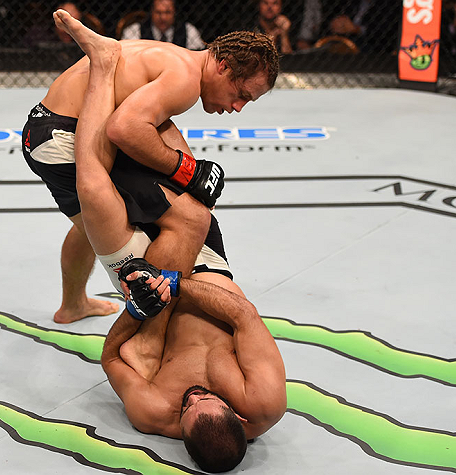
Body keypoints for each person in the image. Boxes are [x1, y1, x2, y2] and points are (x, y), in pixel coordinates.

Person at [52, 11, 286, 471]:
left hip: (147, 284)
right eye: (240, 95)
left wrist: (139, 310)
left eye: (188, 405)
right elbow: (242, 314)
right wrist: (176, 285)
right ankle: (74, 301)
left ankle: (73, 303)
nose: (194, 396)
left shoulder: (155, 410)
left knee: (98, 201)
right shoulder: (262, 402)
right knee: (190, 208)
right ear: (237, 416)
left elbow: (111, 357)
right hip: (200, 274)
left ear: (179, 427)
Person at [23, 5, 277, 324]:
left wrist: (190, 170)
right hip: (65, 139)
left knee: (89, 225)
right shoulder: (185, 80)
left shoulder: (176, 57)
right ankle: (145, 327)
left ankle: (72, 305)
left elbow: (156, 125)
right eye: (240, 94)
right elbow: (123, 128)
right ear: (223, 66)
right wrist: (186, 171)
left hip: (47, 129)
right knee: (158, 224)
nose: (237, 107)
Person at [120, 0, 205, 51]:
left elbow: (198, 54)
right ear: (152, 12)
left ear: (174, 13)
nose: (163, 17)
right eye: (158, 12)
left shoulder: (188, 30)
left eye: (167, 12)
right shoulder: (135, 30)